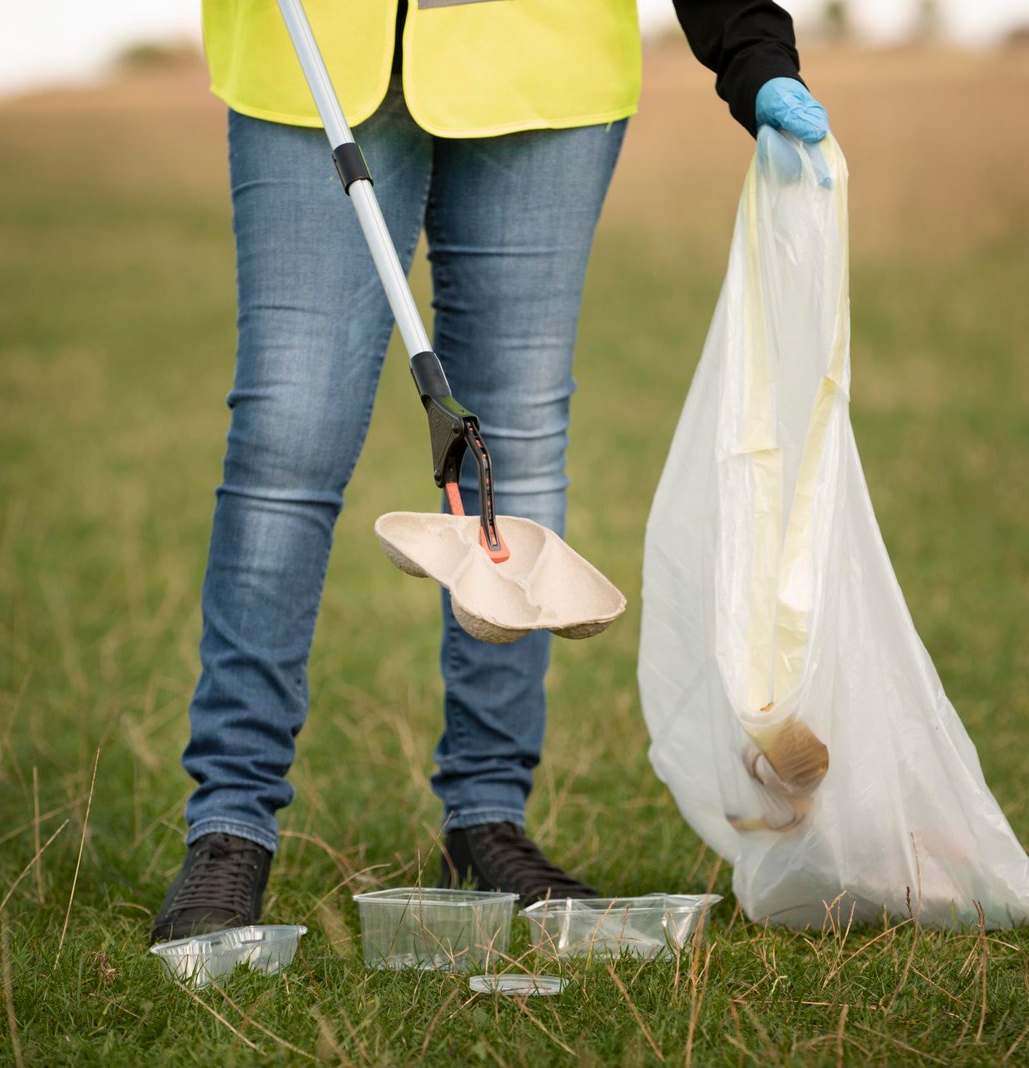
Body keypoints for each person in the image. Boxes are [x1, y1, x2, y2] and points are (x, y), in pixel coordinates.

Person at [152, 0, 831, 943]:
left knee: (510, 446)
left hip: (541, 65)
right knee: (288, 433)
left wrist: (751, 48)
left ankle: (487, 817)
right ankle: (229, 828)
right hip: (311, 55)